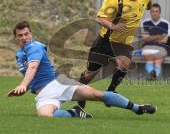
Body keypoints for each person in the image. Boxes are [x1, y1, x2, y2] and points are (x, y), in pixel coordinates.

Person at [7, 21, 156, 118]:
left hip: (58, 83)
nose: (24, 37)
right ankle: (75, 113)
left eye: (26, 34)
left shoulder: (35, 47)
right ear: (16, 37)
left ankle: (137, 108)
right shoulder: (20, 54)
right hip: (45, 94)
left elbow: (33, 67)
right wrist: (23, 88)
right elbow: (32, 75)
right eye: (20, 35)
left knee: (97, 95)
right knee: (46, 116)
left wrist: (23, 84)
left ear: (31, 33)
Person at [78, 0, 152, 107]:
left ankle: (111, 91)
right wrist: (113, 26)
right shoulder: (115, 0)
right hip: (106, 42)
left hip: (123, 44)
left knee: (125, 64)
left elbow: (148, 4)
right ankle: (77, 92)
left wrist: (149, 6)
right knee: (90, 74)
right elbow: (100, 18)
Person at [141, 3, 170, 79]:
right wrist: (159, 36)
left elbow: (165, 40)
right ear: (150, 12)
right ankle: (153, 75)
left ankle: (154, 76)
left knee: (158, 59)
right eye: (153, 11)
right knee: (149, 55)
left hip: (161, 46)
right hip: (148, 46)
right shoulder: (145, 23)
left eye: (156, 11)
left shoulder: (165, 24)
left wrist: (150, 37)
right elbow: (145, 39)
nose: (154, 13)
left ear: (159, 12)